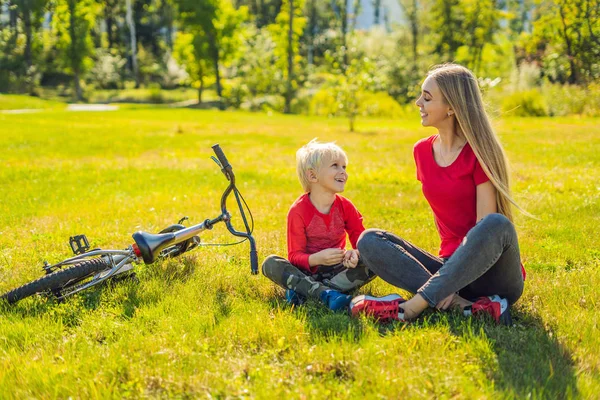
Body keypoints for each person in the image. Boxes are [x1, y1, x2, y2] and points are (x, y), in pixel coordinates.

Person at [350, 63, 526, 325]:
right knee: (369, 240)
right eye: (421, 95)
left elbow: (484, 229)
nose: (418, 102)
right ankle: (465, 306)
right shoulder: (422, 152)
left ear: (452, 107)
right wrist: (446, 275)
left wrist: (449, 273)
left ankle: (413, 307)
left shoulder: (478, 153)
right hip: (448, 269)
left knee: (496, 224)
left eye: (427, 97)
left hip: (491, 273)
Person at [262, 140, 375, 311]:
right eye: (335, 166)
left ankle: (305, 291)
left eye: (344, 167)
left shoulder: (346, 207)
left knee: (376, 256)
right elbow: (294, 256)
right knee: (270, 263)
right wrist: (317, 258)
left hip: (338, 270)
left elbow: (363, 241)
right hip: (305, 271)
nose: (343, 172)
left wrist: (355, 254)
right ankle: (325, 293)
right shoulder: (298, 211)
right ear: (313, 176)